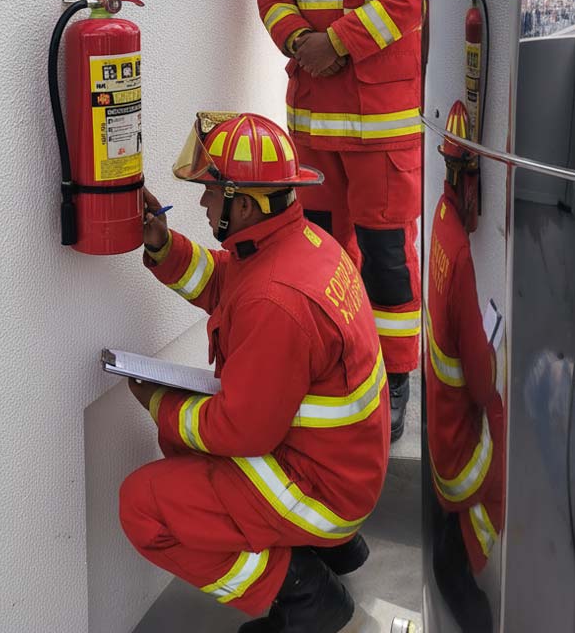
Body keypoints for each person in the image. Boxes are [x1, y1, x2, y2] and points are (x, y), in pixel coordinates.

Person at [118, 111, 389, 633]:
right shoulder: (297, 244)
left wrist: (158, 402)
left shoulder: (276, 300)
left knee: (142, 507)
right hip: (344, 470)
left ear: (242, 204)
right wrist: (162, 246)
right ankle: (328, 549)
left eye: (210, 192)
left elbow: (239, 431)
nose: (202, 203)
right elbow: (228, 284)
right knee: (183, 444)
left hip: (324, 491)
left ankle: (305, 595)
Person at [257, 0, 423, 441]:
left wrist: (339, 43)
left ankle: (396, 379)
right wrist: (300, 38)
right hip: (315, 134)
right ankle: (339, 367)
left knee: (387, 262)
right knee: (323, 259)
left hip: (382, 133)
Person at [426, 101, 504, 633]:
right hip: (459, 426)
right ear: (469, 179)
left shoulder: (439, 220)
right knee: (453, 554)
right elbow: (479, 376)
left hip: (440, 414)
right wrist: (496, 381)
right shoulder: (461, 255)